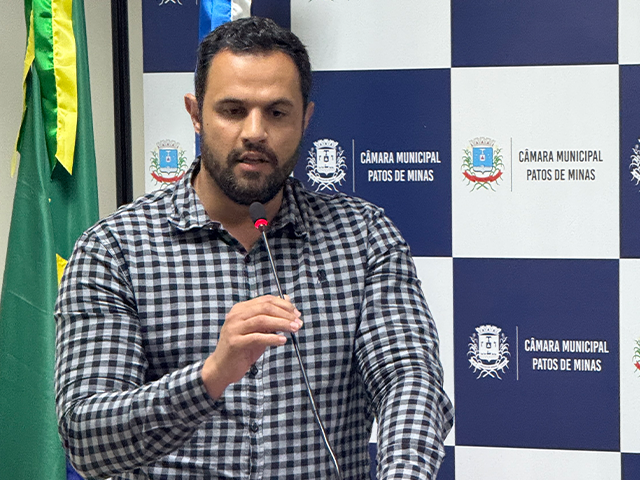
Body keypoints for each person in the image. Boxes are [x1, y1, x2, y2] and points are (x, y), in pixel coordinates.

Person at [55, 16, 453, 480]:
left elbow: (410, 379)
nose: (255, 132)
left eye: (277, 113)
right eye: (233, 110)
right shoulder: (114, 249)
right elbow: (87, 439)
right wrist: (211, 376)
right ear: (195, 114)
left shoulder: (363, 236)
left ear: (305, 119)